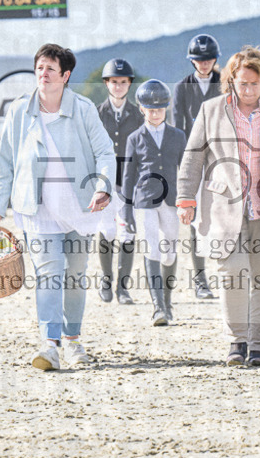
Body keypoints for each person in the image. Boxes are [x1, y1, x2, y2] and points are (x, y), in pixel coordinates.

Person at [0, 44, 116, 372]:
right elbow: (5, 162)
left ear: (65, 75)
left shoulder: (83, 109)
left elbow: (105, 152)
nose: (43, 74)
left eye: (50, 69)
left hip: (79, 206)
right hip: (36, 209)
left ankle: (72, 341)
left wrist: (103, 186)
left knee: (74, 277)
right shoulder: (19, 111)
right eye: (39, 68)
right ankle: (50, 344)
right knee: (48, 277)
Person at [176, 45, 260, 367]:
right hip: (225, 208)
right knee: (232, 272)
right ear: (231, 81)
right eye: (242, 83)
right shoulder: (211, 111)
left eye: (254, 83)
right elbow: (193, 156)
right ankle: (238, 341)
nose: (248, 89)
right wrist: (185, 197)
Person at [121, 80, 187, 326]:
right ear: (142, 109)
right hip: (144, 200)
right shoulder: (134, 138)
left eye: (160, 109)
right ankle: (158, 308)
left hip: (171, 200)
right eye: (151, 109)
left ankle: (167, 302)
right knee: (151, 249)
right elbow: (128, 176)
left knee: (169, 253)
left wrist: (190, 201)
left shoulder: (178, 136)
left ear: (167, 108)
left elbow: (187, 170)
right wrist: (126, 211)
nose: (156, 113)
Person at [173, 33, 222, 300]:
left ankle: (230, 273)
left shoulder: (225, 83)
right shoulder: (182, 87)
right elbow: (179, 127)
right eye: (199, 60)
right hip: (194, 156)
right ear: (192, 61)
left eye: (208, 60)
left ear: (214, 59)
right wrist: (184, 164)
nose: (204, 64)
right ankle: (200, 279)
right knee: (194, 220)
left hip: (222, 157)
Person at [95, 58, 144, 305]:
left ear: (129, 84)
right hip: (104, 180)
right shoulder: (96, 112)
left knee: (127, 232)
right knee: (106, 230)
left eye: (123, 82)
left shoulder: (137, 114)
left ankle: (123, 288)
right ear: (107, 83)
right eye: (114, 82)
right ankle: (106, 279)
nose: (118, 86)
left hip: (128, 180)